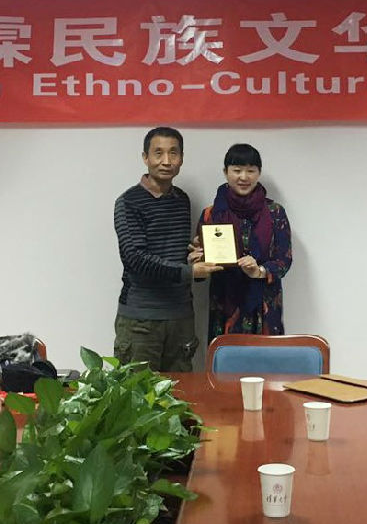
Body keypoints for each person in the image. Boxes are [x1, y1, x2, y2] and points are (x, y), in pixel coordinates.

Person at [113, 127, 222, 371]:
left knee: (182, 391)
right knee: (137, 393)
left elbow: (174, 255)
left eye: (173, 153)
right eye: (158, 153)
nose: (166, 161)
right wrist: (189, 272)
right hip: (141, 321)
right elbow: (135, 259)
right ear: (145, 157)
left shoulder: (181, 199)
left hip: (181, 317)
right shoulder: (128, 202)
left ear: (181, 158)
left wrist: (193, 257)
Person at [193, 143, 292, 340]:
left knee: (266, 358)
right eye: (237, 170)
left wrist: (259, 271)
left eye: (250, 171)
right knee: (225, 358)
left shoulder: (275, 212)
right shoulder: (211, 214)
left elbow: (284, 260)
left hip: (264, 305)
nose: (244, 177)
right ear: (225, 172)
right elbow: (200, 269)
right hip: (225, 304)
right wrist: (197, 261)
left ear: (259, 173)